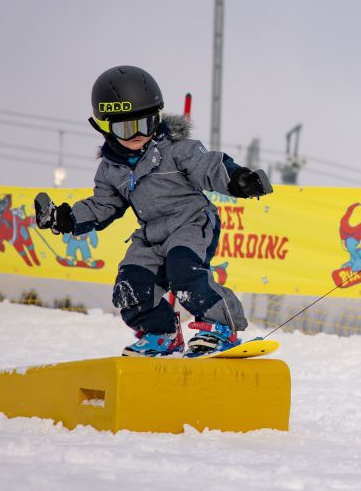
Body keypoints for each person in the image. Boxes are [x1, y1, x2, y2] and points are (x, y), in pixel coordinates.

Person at [35, 65, 273, 357]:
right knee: (129, 287)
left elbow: (210, 166)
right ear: (105, 127)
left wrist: (239, 180)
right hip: (151, 234)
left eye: (144, 124)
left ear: (157, 118)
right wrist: (67, 217)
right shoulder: (111, 169)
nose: (136, 135)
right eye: (125, 128)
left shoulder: (176, 149)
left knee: (183, 272)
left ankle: (221, 326)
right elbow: (103, 205)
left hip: (191, 223)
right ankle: (162, 333)